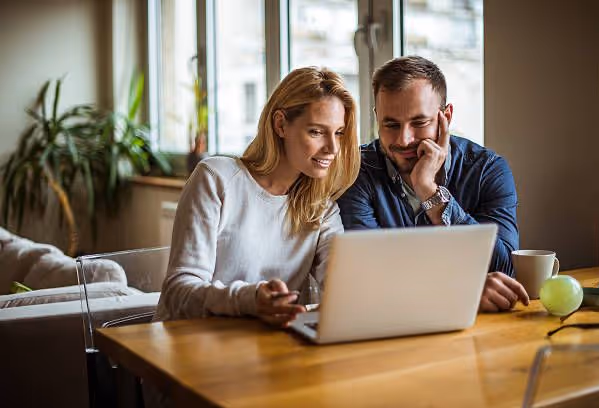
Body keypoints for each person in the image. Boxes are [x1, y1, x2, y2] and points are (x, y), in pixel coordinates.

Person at [155, 67, 360, 327]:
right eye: (317, 132)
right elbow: (178, 292)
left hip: (264, 348)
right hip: (187, 344)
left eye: (339, 133)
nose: (332, 148)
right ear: (280, 124)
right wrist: (250, 300)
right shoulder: (216, 178)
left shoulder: (322, 208)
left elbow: (342, 287)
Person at [337, 56, 529, 313]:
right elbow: (368, 275)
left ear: (445, 116)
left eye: (419, 123)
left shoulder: (487, 170)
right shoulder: (356, 170)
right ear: (377, 118)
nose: (404, 140)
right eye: (391, 124)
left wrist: (429, 191)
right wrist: (462, 289)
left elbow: (505, 269)